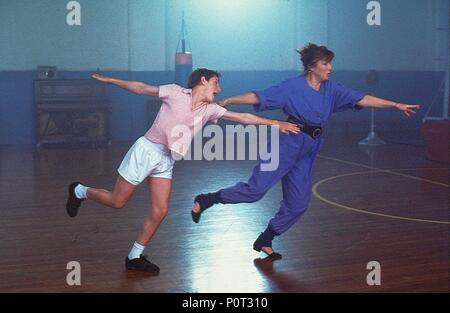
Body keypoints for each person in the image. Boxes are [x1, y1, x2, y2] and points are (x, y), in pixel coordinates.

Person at [191, 44, 420, 259]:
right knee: (255, 191)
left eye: (330, 63)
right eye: (325, 64)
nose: (330, 68)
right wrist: (228, 100)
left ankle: (266, 239)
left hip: (310, 148)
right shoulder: (292, 87)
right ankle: (208, 199)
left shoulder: (332, 89)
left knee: (298, 204)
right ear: (311, 66)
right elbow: (259, 95)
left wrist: (395, 105)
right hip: (287, 142)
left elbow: (363, 98)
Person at [65, 68, 300, 274]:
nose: (218, 89)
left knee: (160, 211)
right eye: (216, 83)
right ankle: (79, 191)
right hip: (146, 151)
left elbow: (242, 117)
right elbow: (141, 88)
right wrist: (111, 81)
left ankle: (134, 257)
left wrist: (276, 123)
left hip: (166, 160)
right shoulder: (175, 92)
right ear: (203, 80)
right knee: (117, 201)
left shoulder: (209, 110)